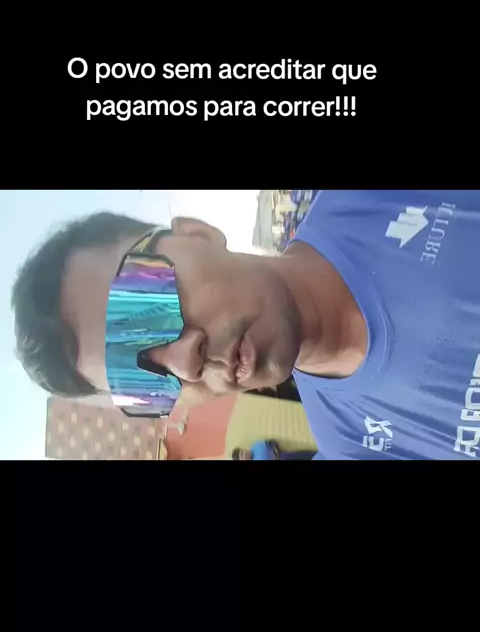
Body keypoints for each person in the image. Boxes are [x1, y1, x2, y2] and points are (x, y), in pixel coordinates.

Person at [11, 190, 480, 460]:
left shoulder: (381, 198)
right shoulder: (355, 447)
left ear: (197, 234)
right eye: (144, 381)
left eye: (148, 306)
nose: (184, 362)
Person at [232, 441, 317, 460]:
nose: (245, 453)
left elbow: (271, 442)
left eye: (242, 451)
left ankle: (316, 454)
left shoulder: (256, 446)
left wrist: (275, 451)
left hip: (282, 455)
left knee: (289, 456)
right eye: (242, 455)